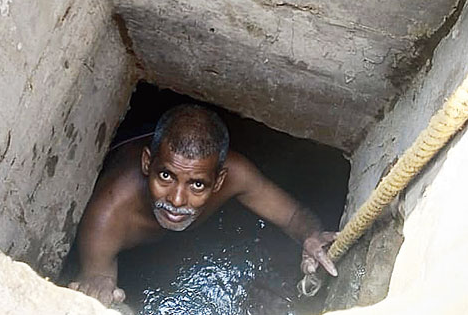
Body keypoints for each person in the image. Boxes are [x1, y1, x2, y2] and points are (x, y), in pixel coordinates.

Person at [68, 104, 338, 306]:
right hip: (131, 136)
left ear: (219, 180)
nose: (176, 200)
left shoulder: (236, 173)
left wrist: (311, 236)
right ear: (146, 163)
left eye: (197, 184)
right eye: (165, 176)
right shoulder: (107, 216)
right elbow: (98, 276)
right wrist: (97, 288)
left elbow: (293, 216)